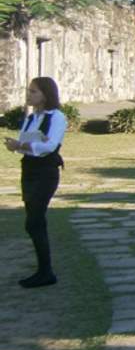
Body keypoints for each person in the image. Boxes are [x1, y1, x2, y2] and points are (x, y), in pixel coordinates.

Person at [4, 77, 67, 288]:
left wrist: (24, 145)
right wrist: (17, 145)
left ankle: (46, 271)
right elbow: (26, 143)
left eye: (34, 92)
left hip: (45, 173)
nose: (29, 95)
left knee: (34, 221)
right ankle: (44, 270)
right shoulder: (32, 118)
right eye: (29, 91)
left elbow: (49, 146)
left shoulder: (56, 117)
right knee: (34, 221)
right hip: (29, 170)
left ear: (46, 94)